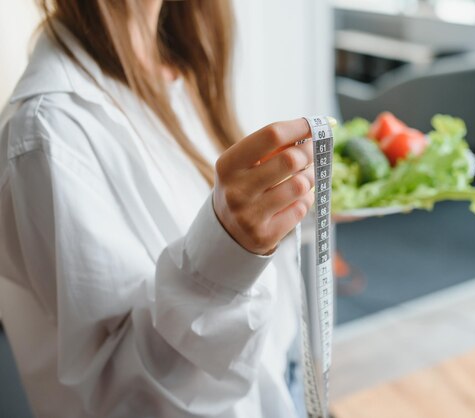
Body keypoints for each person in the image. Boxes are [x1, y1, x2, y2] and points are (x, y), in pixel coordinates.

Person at [0, 1, 318, 417]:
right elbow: (135, 403)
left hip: (279, 384)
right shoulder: (46, 136)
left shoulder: (180, 65)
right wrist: (229, 250)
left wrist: (292, 208)